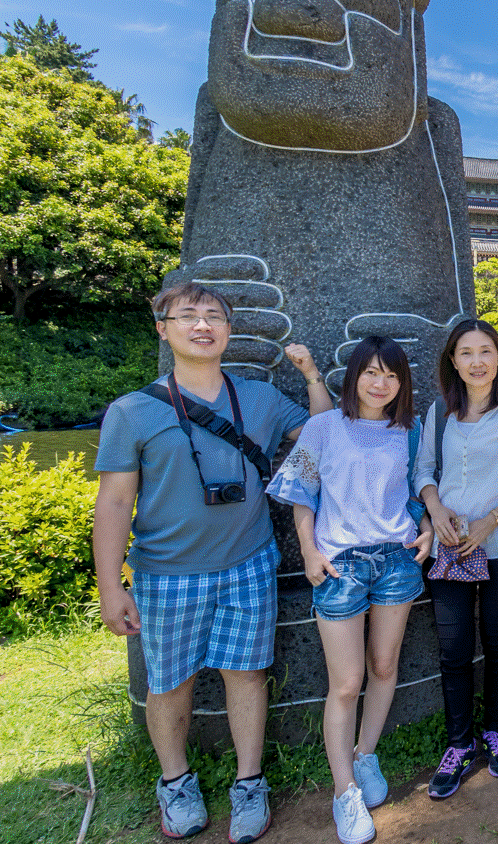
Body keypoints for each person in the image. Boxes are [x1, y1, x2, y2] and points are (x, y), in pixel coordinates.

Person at [93, 282, 332, 842]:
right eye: (188, 316)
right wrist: (110, 585)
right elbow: (114, 502)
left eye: (213, 317)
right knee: (170, 682)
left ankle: (249, 783)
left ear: (228, 328)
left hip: (248, 563)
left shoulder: (261, 399)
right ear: (163, 328)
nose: (202, 325)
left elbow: (323, 435)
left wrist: (314, 378)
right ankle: (175, 780)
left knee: (246, 674)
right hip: (166, 572)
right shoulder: (131, 412)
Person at [266, 337, 433, 844]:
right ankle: (344, 793)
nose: (380, 384)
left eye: (391, 375)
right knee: (345, 682)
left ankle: (365, 755)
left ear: (402, 383)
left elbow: (418, 487)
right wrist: (310, 553)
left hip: (396, 561)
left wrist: (425, 526)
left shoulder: (410, 430)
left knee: (385, 666)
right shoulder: (323, 427)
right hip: (339, 566)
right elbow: (300, 493)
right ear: (354, 375)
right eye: (371, 373)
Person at [415, 320, 498, 797]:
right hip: (449, 548)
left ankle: (494, 730)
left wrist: (490, 521)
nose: (476, 362)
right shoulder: (439, 413)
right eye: (466, 353)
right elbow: (423, 470)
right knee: (453, 650)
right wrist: (435, 507)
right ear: (453, 360)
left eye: (485, 352)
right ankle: (459, 744)